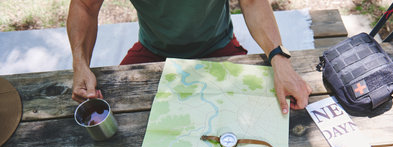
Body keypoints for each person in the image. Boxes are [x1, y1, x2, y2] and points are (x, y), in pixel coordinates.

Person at [67, 0, 312, 114]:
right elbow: (84, 6)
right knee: (110, 112)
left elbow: (252, 2)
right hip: (153, 51)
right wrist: (80, 64)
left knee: (264, 111)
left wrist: (279, 58)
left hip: (218, 46)